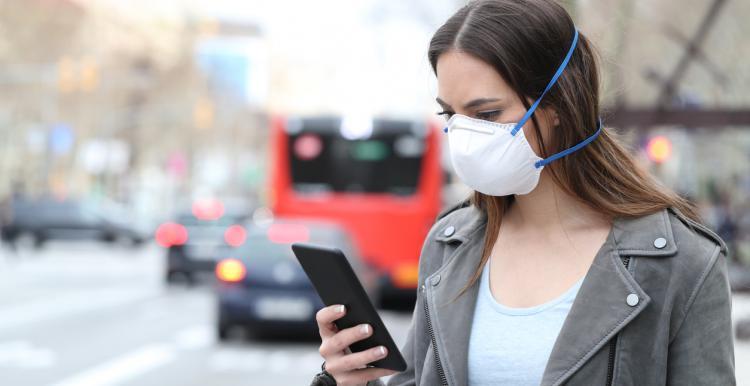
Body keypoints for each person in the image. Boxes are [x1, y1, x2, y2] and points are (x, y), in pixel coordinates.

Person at [310, 0, 735, 385]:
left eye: (487, 113)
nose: (464, 134)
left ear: (557, 107)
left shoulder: (683, 263)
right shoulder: (450, 243)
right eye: (450, 114)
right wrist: (352, 383)